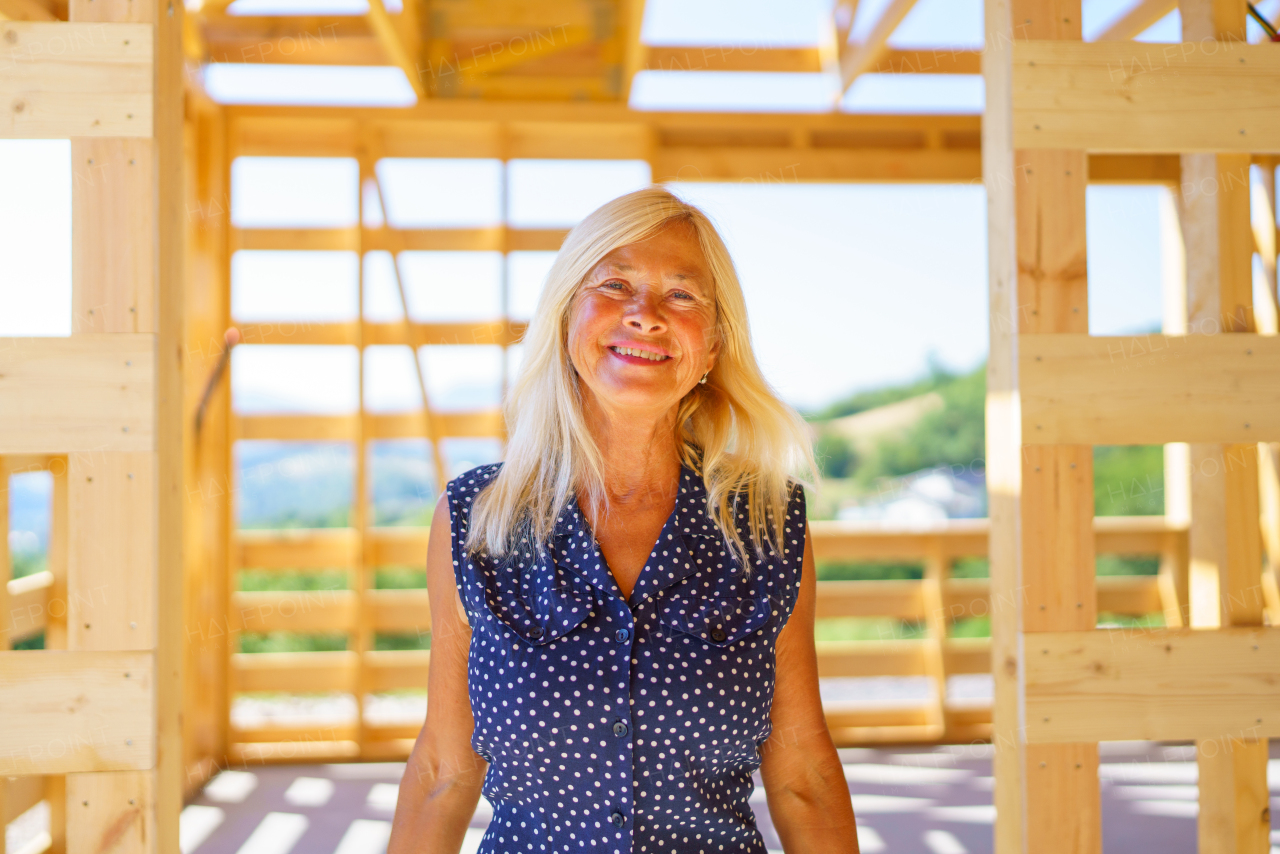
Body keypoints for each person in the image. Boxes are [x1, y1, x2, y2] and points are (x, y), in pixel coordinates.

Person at [388, 187, 859, 853]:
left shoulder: (766, 525)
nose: (645, 315)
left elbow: (804, 773)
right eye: (615, 283)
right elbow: (442, 767)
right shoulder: (475, 521)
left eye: (682, 295)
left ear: (715, 342)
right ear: (565, 315)